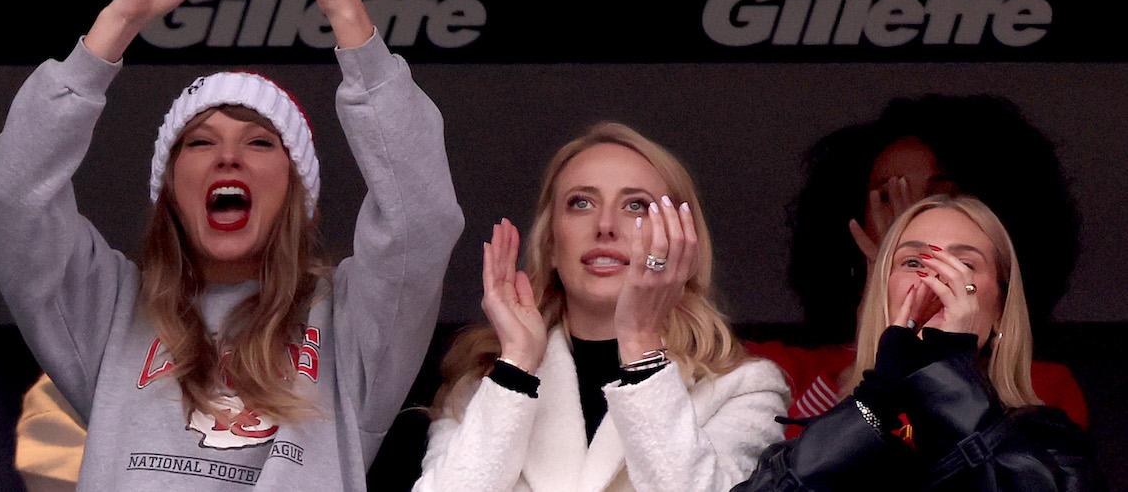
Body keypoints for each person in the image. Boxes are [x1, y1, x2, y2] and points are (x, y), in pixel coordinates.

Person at [0, 0, 463, 489]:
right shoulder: (109, 312)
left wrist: (346, 12)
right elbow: (14, 204)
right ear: (169, 191)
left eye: (261, 142)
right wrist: (116, 25)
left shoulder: (348, 324)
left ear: (296, 194)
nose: (227, 158)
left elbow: (420, 217)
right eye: (199, 143)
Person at [414, 122, 788, 491]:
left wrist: (641, 346)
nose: (605, 225)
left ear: (682, 241)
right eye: (581, 203)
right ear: (550, 245)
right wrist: (516, 368)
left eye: (635, 205)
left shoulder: (744, 388)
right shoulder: (482, 384)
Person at [750, 94, 1087, 434]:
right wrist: (876, 358)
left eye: (943, 194)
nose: (915, 213)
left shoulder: (1043, 390)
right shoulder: (785, 370)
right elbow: (806, 469)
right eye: (886, 196)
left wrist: (953, 367)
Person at [735, 196, 1103, 491]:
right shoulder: (860, 424)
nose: (936, 278)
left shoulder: (1048, 441)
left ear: (1000, 313)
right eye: (914, 260)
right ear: (882, 298)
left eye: (963, 265)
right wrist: (877, 401)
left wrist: (950, 373)